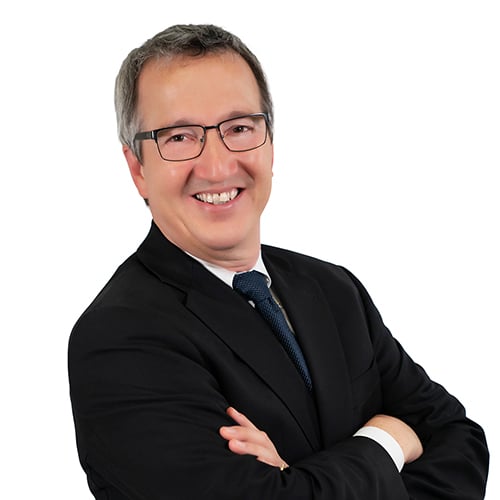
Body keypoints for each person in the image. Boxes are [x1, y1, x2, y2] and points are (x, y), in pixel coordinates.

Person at [68, 24, 489, 499]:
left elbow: (460, 443)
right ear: (138, 168)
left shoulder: (332, 289)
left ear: (269, 143)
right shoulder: (120, 338)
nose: (217, 166)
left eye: (239, 128)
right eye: (180, 137)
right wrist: (386, 439)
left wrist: (296, 479)